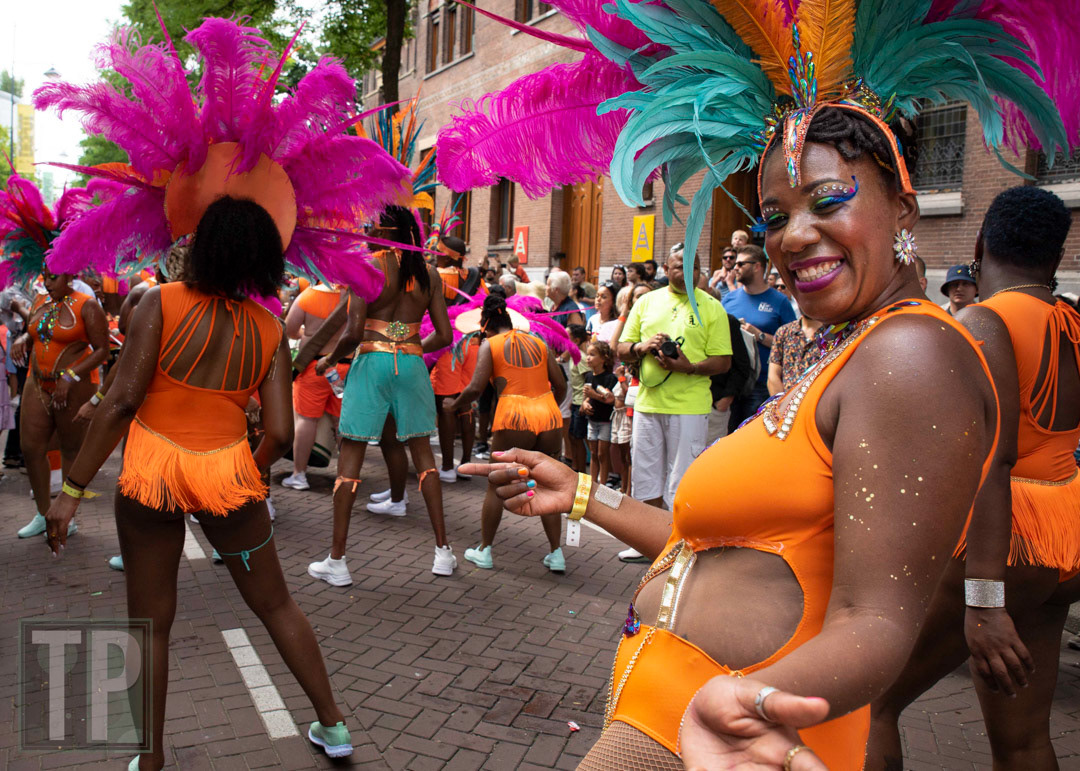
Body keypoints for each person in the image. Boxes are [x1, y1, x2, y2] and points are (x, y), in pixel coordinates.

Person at [438, 0, 1067, 763]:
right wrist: (581, 493)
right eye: (775, 215)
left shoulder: (910, 353)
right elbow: (715, 547)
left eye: (828, 199)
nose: (794, 235)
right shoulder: (848, 350)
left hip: (712, 735)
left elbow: (876, 620)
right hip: (668, 708)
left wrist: (745, 702)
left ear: (904, 207)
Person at [45, 198, 355, 768]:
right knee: (276, 603)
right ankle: (333, 725)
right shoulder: (267, 327)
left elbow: (123, 400)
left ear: (203, 246)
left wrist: (71, 493)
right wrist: (245, 473)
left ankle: (150, 759)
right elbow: (279, 431)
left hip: (151, 472)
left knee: (150, 625)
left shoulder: (160, 301)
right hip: (227, 473)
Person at [869, 186, 1080, 769]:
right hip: (1064, 537)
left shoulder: (983, 320)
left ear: (981, 245)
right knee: (1023, 739)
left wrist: (984, 601)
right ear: (1057, 256)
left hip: (1003, 544)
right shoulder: (1070, 319)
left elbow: (993, 459)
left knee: (868, 705)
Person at [308, 206, 456, 584]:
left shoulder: (366, 267)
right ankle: (443, 553)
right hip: (411, 364)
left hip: (371, 363)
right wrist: (410, 348)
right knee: (424, 458)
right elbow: (444, 335)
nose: (367, 232)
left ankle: (337, 561)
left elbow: (353, 332)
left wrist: (329, 360)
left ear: (385, 230)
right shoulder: (429, 272)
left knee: (350, 459)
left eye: (372, 226)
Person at [446, 294, 568, 571]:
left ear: (485, 325)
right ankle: (556, 553)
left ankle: (485, 550)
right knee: (548, 485)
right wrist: (548, 408)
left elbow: (475, 388)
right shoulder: (538, 341)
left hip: (513, 416)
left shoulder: (490, 344)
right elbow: (560, 385)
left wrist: (453, 405)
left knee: (495, 483)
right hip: (549, 415)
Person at [616, 244, 732, 510]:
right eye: (681, 267)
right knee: (645, 482)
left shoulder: (712, 307)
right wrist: (642, 347)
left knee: (682, 485)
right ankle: (648, 533)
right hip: (648, 405)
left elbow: (724, 361)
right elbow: (621, 348)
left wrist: (689, 367)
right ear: (667, 269)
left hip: (689, 409)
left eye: (695, 267)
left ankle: (675, 534)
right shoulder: (646, 302)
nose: (689, 273)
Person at [13, 271, 110, 538]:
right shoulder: (40, 300)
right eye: (45, 276)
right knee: (30, 448)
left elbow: (102, 349)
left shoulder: (86, 305)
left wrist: (71, 375)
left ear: (69, 275)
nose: (46, 283)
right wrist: (23, 339)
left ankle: (68, 517)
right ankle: (43, 514)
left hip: (74, 387)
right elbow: (37, 334)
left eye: (53, 277)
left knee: (70, 449)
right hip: (37, 383)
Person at [722, 243, 797, 432]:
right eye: (735, 264)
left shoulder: (779, 301)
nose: (735, 268)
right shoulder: (729, 299)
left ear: (757, 266)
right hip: (732, 384)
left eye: (741, 264)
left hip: (762, 384)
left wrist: (760, 335)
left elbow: (792, 345)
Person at [281, 282, 348, 491]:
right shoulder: (354, 297)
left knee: (306, 420)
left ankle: (299, 475)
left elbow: (289, 330)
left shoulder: (307, 296)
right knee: (341, 421)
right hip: (343, 368)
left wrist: (307, 334)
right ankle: (346, 474)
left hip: (314, 368)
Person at [430, 234, 484, 483]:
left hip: (447, 347)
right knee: (466, 405)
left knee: (446, 407)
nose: (434, 256)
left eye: (437, 252)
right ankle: (466, 464)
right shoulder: (476, 279)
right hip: (472, 344)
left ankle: (447, 467)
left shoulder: (436, 276)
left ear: (445, 255)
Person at [582, 340, 618, 487]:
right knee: (593, 453)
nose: (588, 358)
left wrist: (594, 395)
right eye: (588, 354)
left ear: (603, 358)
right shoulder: (589, 376)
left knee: (602, 454)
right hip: (592, 420)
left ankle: (602, 484)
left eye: (592, 354)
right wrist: (585, 403)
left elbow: (610, 400)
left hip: (605, 421)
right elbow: (586, 396)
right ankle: (592, 483)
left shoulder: (610, 378)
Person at [768, 316, 824, 395]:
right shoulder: (784, 332)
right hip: (787, 399)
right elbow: (773, 376)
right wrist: (782, 401)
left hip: (818, 397)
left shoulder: (831, 333)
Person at [566, 324, 591, 473]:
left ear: (575, 340)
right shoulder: (572, 355)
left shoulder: (580, 357)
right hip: (575, 401)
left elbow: (588, 378)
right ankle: (576, 467)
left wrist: (585, 401)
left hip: (581, 403)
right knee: (572, 436)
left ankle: (582, 471)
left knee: (579, 437)